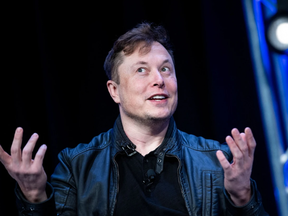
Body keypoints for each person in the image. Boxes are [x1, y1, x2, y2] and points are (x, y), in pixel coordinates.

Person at [0, 22, 268, 216]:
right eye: (142, 70)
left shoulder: (217, 161)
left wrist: (242, 197)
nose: (159, 80)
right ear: (114, 91)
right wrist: (34, 196)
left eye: (165, 69)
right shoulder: (76, 165)